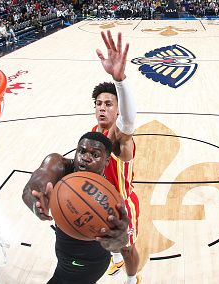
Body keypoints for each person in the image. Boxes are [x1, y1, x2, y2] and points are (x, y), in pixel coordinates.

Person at [22, 131, 130, 284]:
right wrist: (36, 204)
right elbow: (31, 189)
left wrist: (119, 241)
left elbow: (119, 241)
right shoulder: (59, 165)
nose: (85, 157)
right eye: (82, 151)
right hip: (65, 250)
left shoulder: (109, 197)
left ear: (106, 162)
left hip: (87, 262)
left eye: (95, 155)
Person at [91, 31, 141, 284]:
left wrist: (119, 81)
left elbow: (129, 122)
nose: (102, 107)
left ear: (118, 109)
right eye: (99, 103)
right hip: (99, 202)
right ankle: (114, 259)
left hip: (123, 206)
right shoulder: (91, 133)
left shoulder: (119, 136)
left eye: (109, 104)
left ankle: (132, 280)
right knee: (106, 245)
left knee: (128, 248)